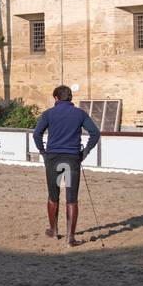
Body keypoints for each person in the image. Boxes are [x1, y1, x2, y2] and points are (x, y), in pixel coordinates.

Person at [33, 85, 101, 247]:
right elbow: (95, 133)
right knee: (72, 199)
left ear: (56, 98)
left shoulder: (49, 114)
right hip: (71, 160)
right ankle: (70, 237)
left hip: (53, 160)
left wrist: (43, 151)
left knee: (53, 196)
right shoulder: (79, 114)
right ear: (70, 98)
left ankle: (54, 230)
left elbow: (37, 134)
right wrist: (85, 153)